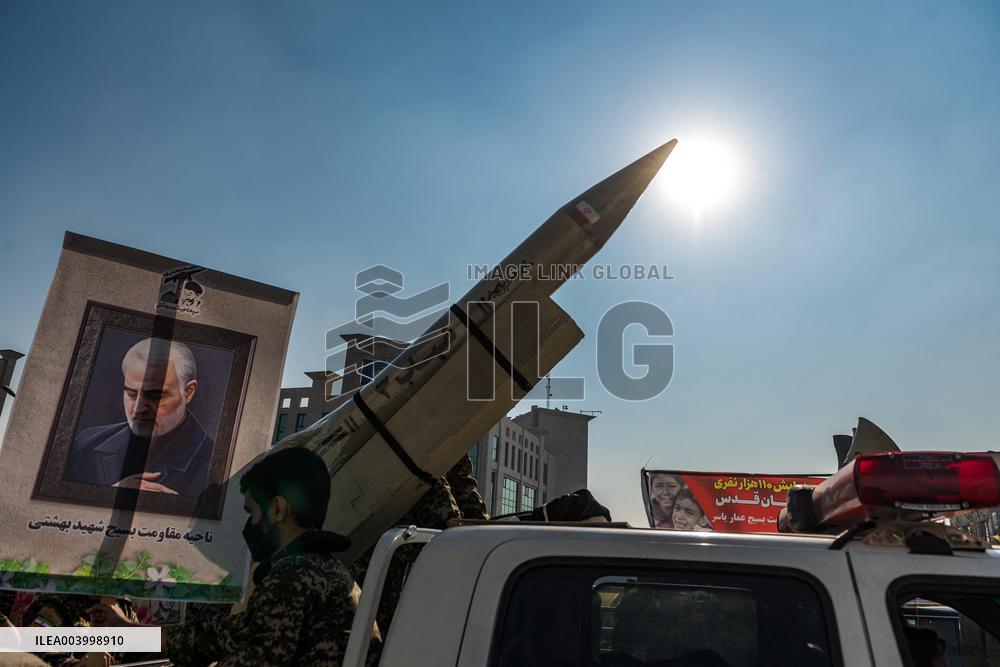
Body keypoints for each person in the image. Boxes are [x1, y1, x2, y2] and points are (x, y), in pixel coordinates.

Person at [88, 446, 379, 666]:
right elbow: (220, 635)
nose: (249, 526)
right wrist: (126, 631)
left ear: (278, 509)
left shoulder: (293, 578)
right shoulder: (325, 571)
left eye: (252, 512)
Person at [65, 338, 213, 496]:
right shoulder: (84, 445)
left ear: (188, 392)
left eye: (156, 395)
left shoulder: (216, 465)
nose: (137, 408)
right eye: (131, 393)